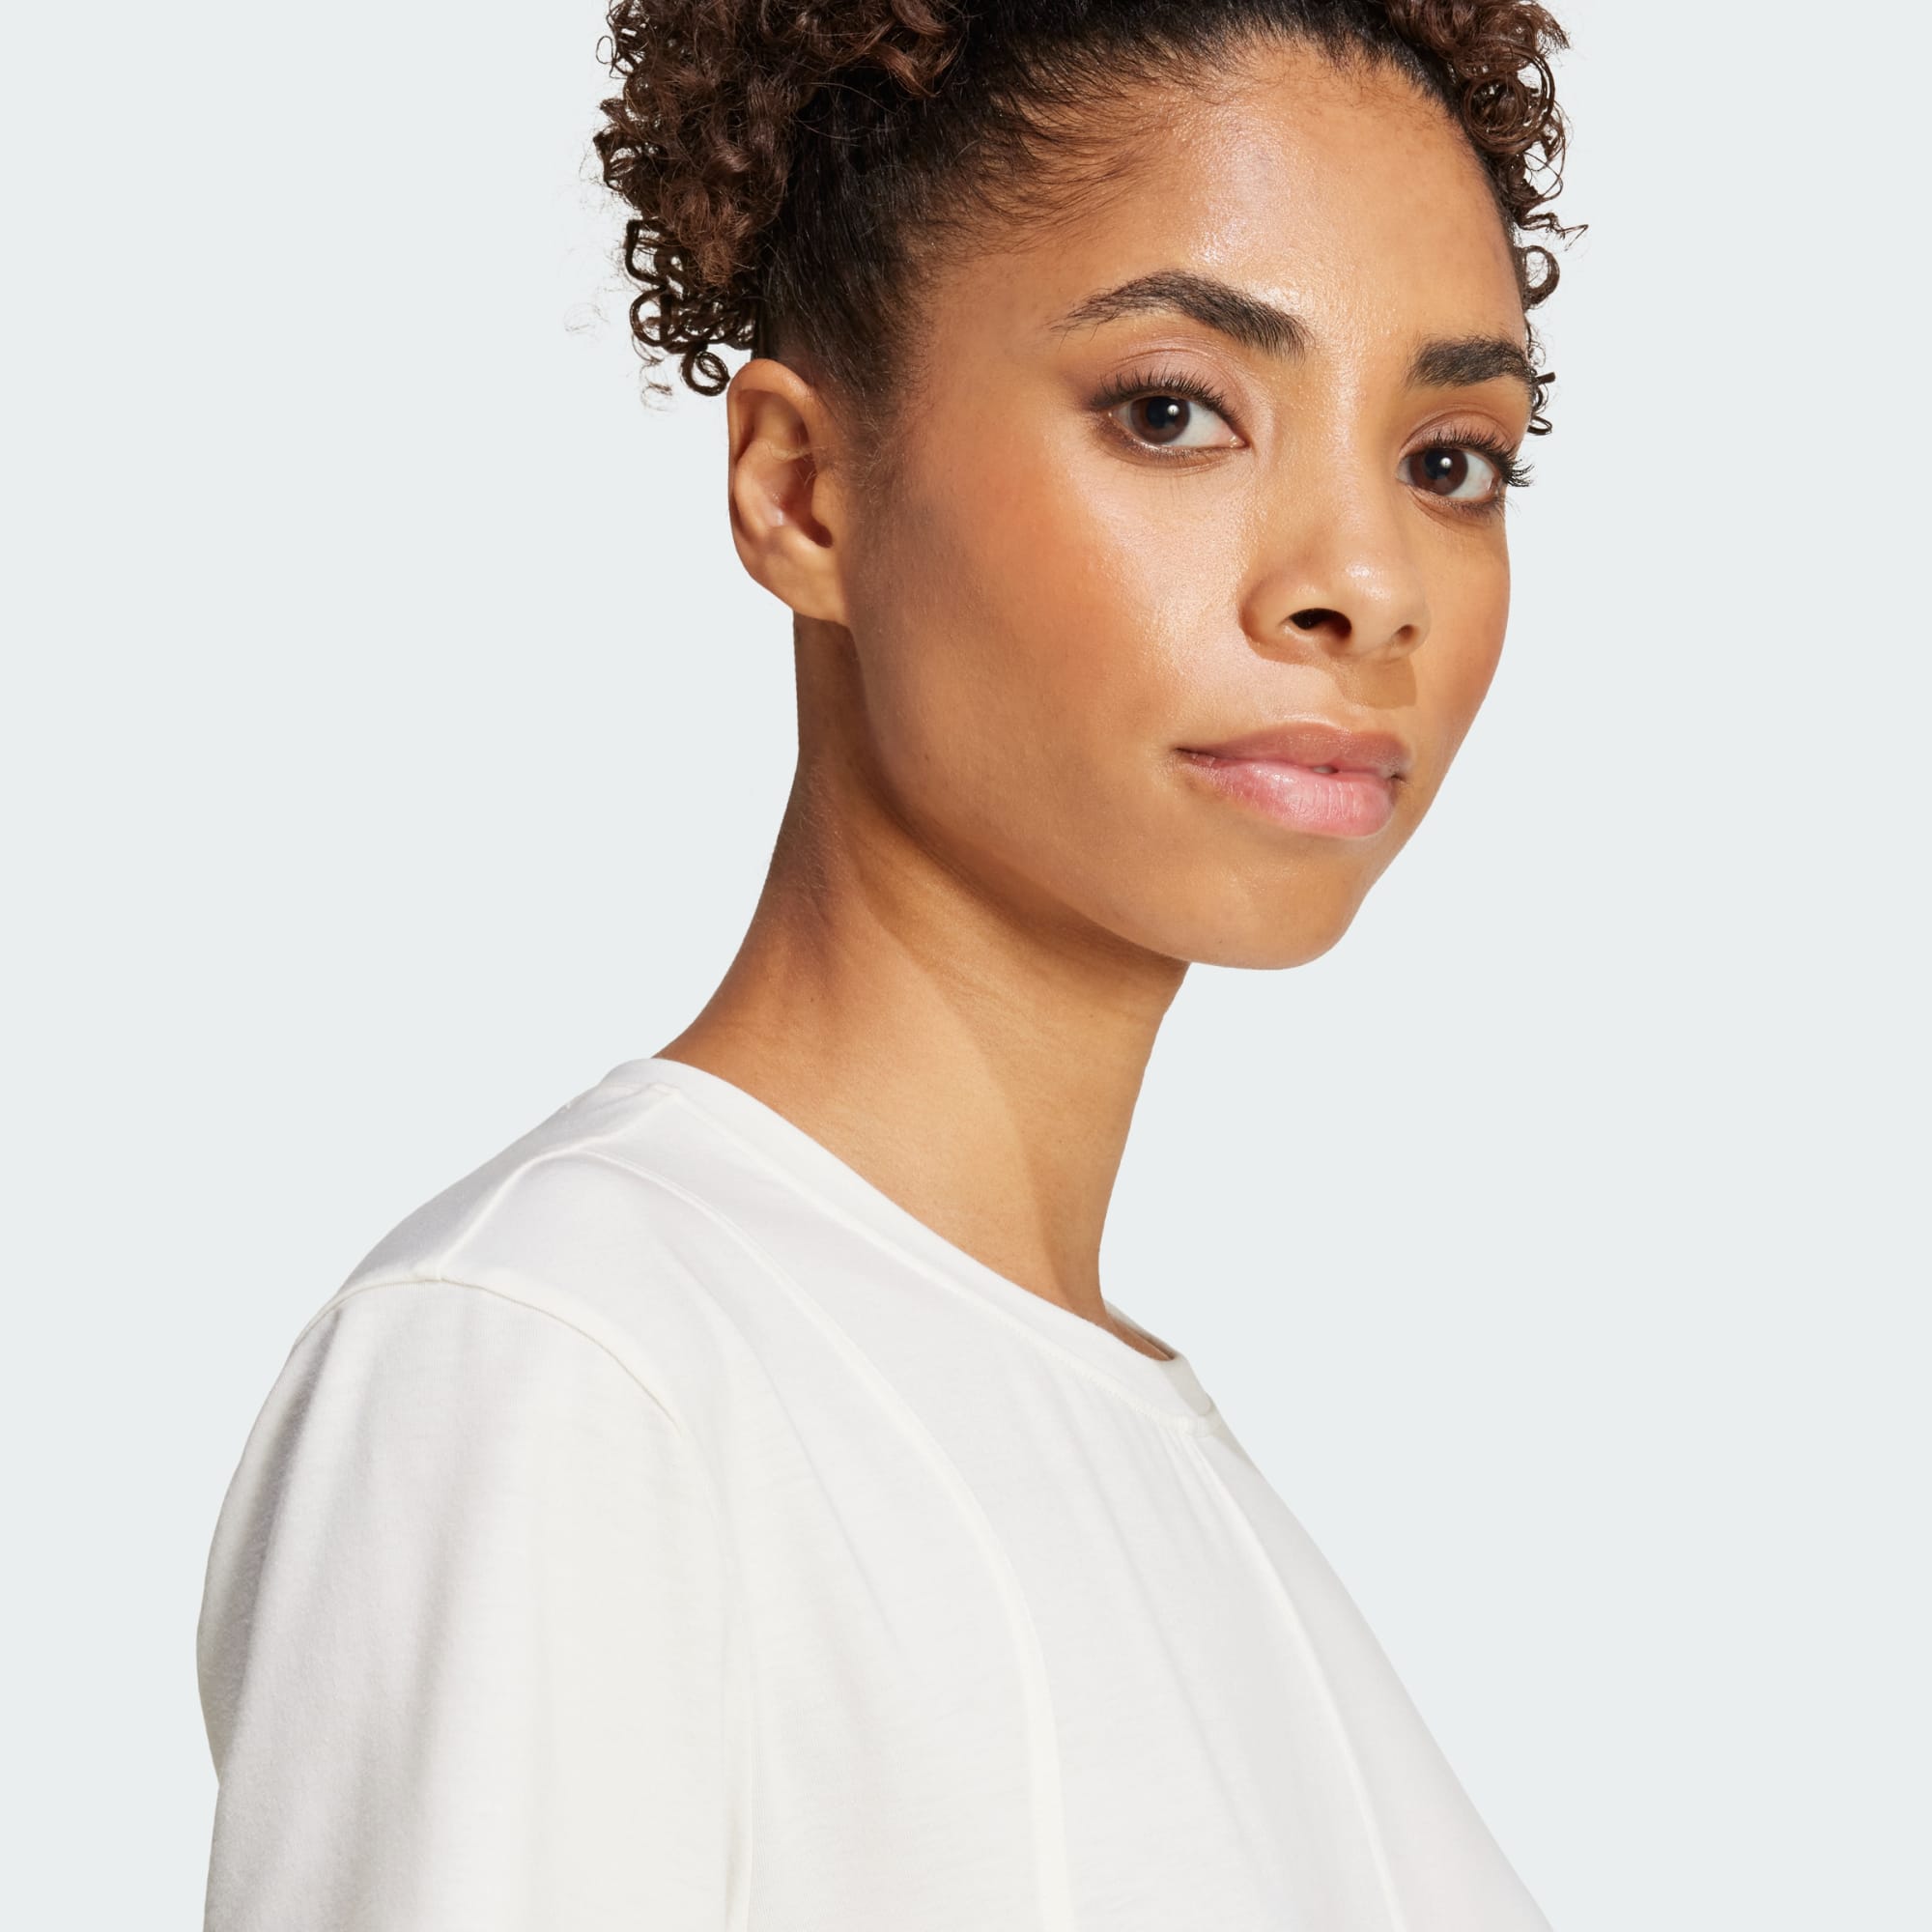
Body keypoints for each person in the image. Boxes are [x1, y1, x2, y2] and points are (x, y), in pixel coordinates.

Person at [195, 1, 1577, 1925]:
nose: (1363, 581)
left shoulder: (1154, 1469)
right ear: (802, 490)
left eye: (1449, 457)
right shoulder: (571, 1366)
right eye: (1172, 411)